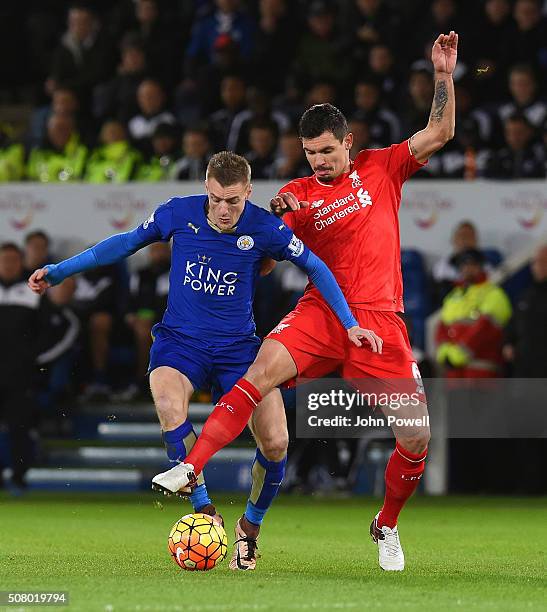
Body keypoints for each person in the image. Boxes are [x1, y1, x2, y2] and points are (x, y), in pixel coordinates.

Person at [156, 31, 459, 572]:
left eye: (326, 150)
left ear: (348, 142)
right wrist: (276, 218)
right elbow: (267, 263)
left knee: (416, 435)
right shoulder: (297, 195)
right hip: (323, 312)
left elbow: (440, 130)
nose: (318, 161)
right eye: (310, 153)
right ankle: (194, 469)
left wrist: (442, 74)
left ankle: (385, 524)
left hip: (382, 320)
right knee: (259, 372)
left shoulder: (382, 166)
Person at [28, 151, 381, 571]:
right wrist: (62, 270)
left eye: (233, 200)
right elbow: (123, 243)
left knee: (277, 442)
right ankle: (205, 511)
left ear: (248, 193)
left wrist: (349, 324)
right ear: (206, 189)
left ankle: (249, 531)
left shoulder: (265, 228)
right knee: (167, 404)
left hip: (238, 350)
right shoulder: (178, 213)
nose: (223, 209)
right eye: (215, 198)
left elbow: (318, 268)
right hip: (180, 343)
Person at [436, 249, 512, 378]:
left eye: (471, 264)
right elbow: (442, 328)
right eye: (462, 265)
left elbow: (486, 329)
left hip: (481, 375)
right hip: (454, 375)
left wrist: (459, 353)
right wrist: (444, 353)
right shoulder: (452, 296)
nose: (466, 268)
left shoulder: (493, 293)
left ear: (480, 266)